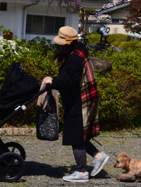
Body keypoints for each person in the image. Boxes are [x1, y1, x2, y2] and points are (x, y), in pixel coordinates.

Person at [42, 26, 108, 182]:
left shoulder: (74, 58)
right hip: (81, 99)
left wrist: (53, 82)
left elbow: (71, 79)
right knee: (79, 134)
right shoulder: (79, 54)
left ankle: (82, 172)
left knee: (75, 136)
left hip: (78, 101)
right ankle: (99, 156)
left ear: (66, 43)